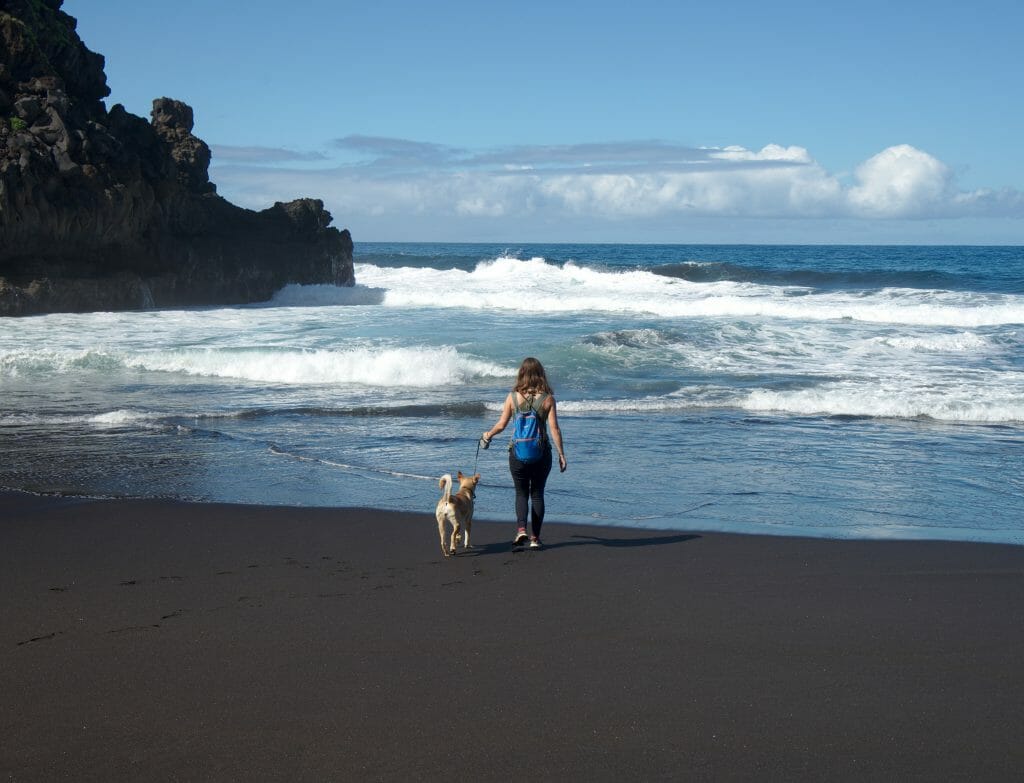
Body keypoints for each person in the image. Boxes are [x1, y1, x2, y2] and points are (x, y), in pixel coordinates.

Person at [480, 357, 567, 549]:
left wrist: (488, 435)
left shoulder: (513, 397)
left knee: (521, 494)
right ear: (541, 374)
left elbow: (502, 425)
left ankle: (521, 530)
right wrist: (562, 454)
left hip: (517, 454)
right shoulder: (548, 399)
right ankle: (535, 539)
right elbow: (555, 429)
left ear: (521, 374)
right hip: (542, 454)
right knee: (537, 494)